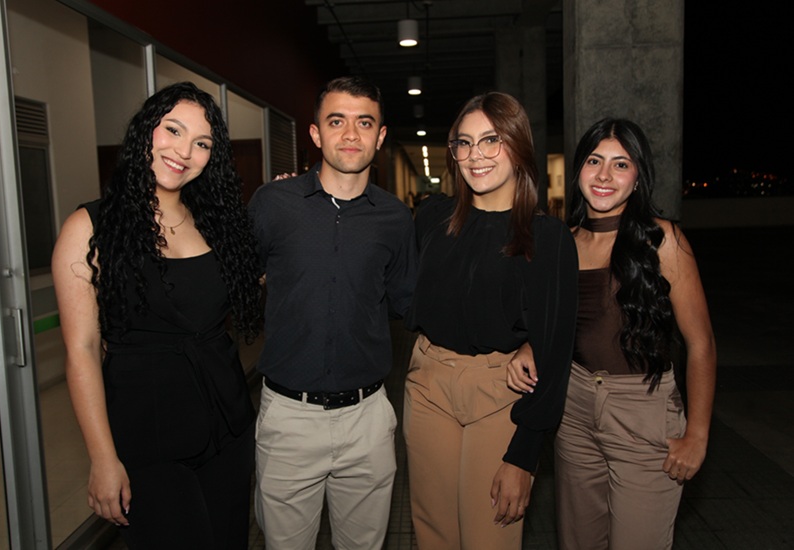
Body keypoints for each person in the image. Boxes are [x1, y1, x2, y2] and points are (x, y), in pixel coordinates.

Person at [52, 82, 261, 548]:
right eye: (173, 130)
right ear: (146, 131)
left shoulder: (219, 224)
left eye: (202, 143)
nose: (184, 151)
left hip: (227, 425)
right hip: (146, 435)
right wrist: (103, 458)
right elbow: (82, 351)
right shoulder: (90, 227)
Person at [508, 118, 717, 549]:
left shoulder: (663, 241)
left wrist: (697, 433)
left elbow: (701, 344)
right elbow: (558, 323)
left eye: (620, 165)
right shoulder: (562, 241)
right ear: (578, 169)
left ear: (638, 177)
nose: (604, 175)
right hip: (575, 409)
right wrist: (529, 345)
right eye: (594, 161)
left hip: (643, 410)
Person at [403, 92, 579, 549]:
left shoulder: (548, 237)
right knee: (433, 535)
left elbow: (556, 351)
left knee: (490, 536)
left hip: (500, 395)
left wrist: (524, 457)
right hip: (427, 387)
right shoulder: (433, 218)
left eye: (490, 140)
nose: (475, 155)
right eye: (464, 143)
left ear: (518, 146)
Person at [248, 76, 417, 550]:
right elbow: (236, 282)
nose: (350, 135)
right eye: (336, 121)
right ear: (316, 133)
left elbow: (409, 301)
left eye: (365, 123)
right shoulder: (273, 204)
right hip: (288, 418)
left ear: (380, 137)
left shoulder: (395, 219)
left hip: (367, 419)